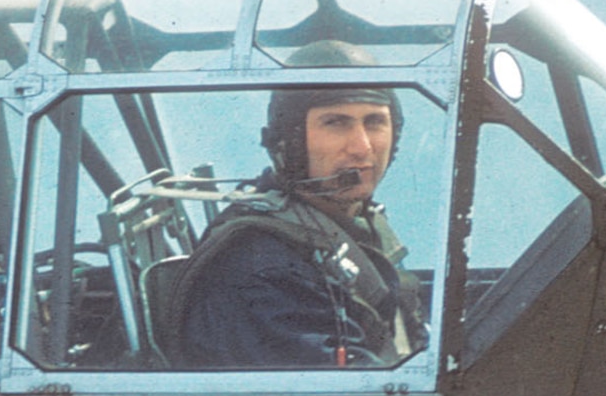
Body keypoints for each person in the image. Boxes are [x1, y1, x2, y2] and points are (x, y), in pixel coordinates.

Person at [176, 57, 427, 368]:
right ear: (290, 142)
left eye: (375, 122)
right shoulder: (262, 267)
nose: (362, 147)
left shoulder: (357, 223)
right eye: (336, 123)